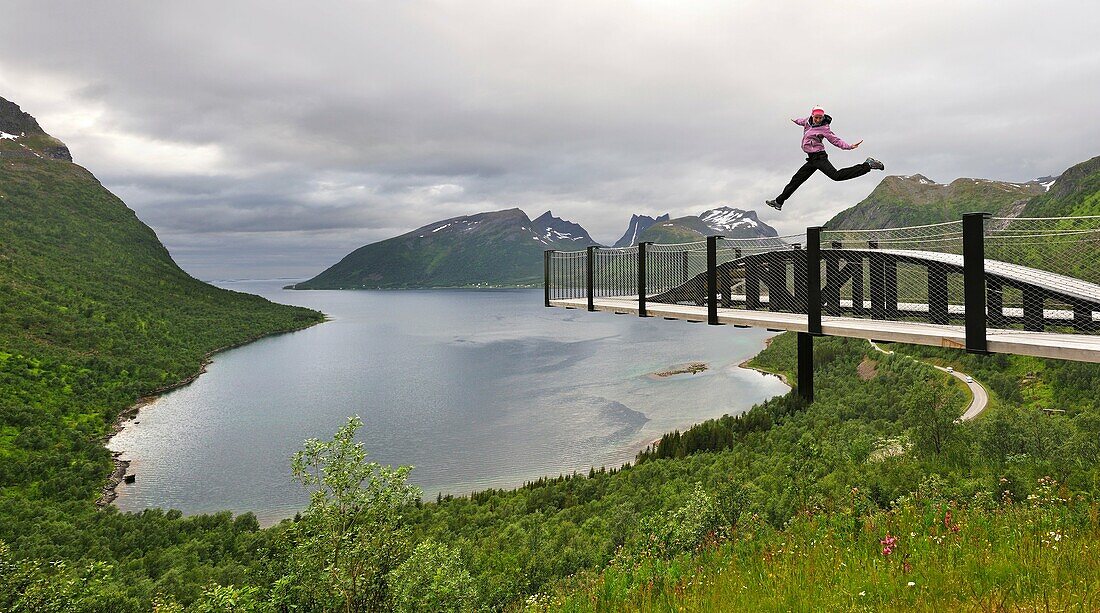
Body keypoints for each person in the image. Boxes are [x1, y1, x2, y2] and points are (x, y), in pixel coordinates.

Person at [766, 106, 884, 211]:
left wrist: (849, 146)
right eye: (816, 117)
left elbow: (835, 140)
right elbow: (801, 121)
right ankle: (779, 201)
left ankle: (868, 165)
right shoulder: (807, 121)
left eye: (820, 118)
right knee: (796, 180)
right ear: (812, 116)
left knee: (836, 176)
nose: (818, 120)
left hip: (819, 157)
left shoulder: (824, 128)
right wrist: (794, 119)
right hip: (811, 160)